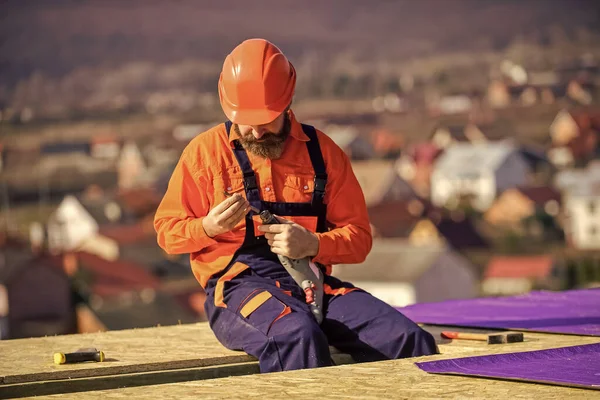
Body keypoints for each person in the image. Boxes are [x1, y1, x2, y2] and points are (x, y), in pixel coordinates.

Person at [154, 38, 437, 372]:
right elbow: (166, 234)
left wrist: (314, 243)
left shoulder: (325, 154)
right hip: (237, 289)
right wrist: (207, 228)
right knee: (296, 335)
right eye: (247, 122)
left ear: (287, 102)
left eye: (267, 121)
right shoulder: (204, 154)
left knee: (409, 339)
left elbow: (360, 238)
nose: (257, 133)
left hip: (313, 284)